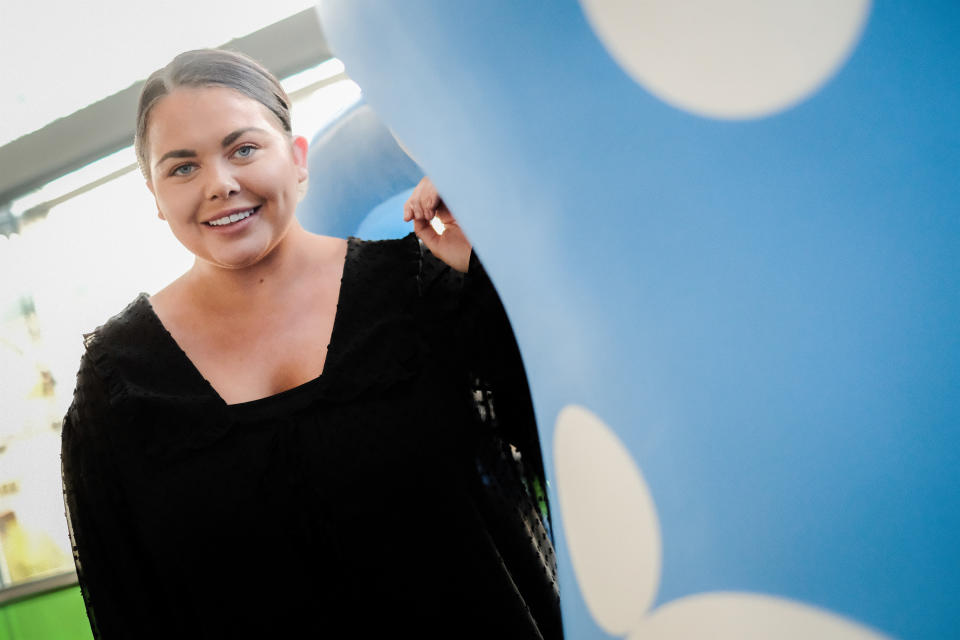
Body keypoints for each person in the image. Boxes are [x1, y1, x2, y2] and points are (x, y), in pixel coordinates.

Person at [60, 49, 562, 638]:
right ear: (155, 195)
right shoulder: (120, 382)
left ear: (297, 160)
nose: (220, 184)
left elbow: (564, 443)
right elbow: (129, 608)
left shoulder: (421, 290)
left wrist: (486, 269)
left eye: (243, 149)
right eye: (182, 167)